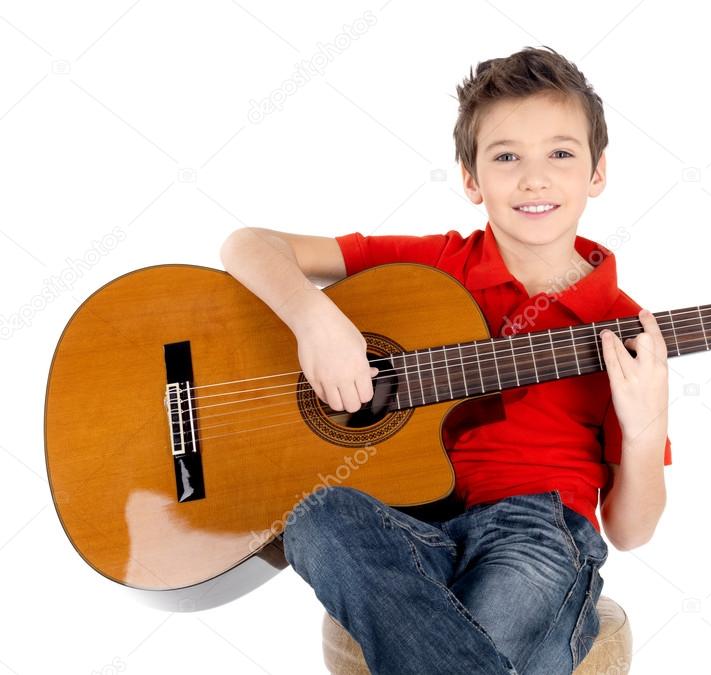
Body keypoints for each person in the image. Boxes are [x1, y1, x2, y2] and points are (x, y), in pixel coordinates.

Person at [220, 44, 672, 675]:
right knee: (317, 513)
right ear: (470, 179)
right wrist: (314, 319)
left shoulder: (625, 330)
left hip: (537, 533)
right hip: (411, 531)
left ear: (597, 173)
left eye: (561, 154)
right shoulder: (432, 268)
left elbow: (630, 531)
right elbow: (248, 245)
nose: (534, 178)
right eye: (506, 156)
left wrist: (646, 431)